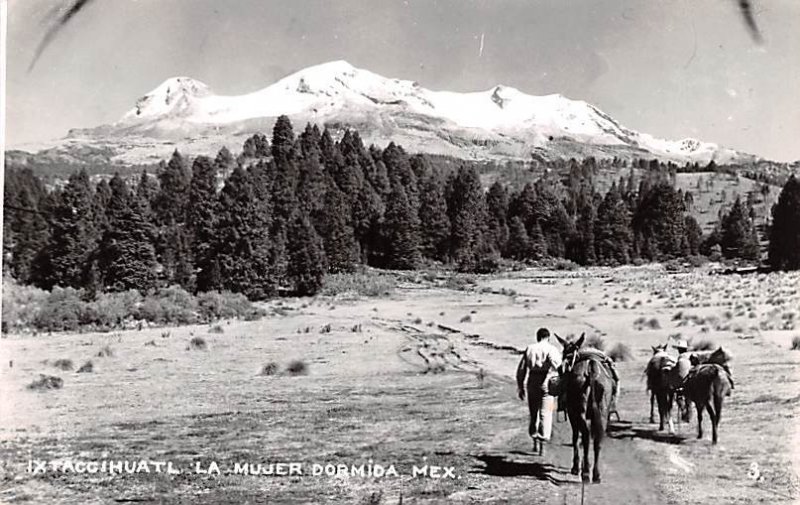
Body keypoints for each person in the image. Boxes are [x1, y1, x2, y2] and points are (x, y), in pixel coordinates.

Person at [516, 327, 562, 456]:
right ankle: (543, 443)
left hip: (532, 381)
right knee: (546, 413)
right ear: (548, 337)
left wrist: (520, 386)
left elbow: (521, 370)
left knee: (534, 412)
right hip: (547, 381)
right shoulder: (552, 349)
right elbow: (558, 365)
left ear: (538, 337)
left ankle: (535, 440)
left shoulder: (530, 348)